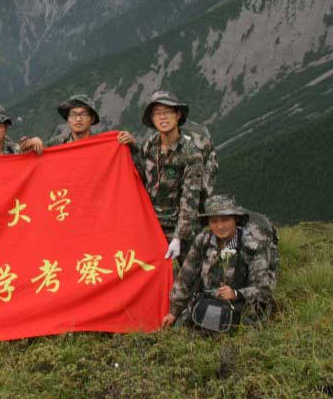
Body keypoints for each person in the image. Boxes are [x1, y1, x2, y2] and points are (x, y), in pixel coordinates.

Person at [161, 195, 276, 329]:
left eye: (225, 220)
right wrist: (174, 312)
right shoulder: (203, 241)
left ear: (236, 219)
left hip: (241, 310)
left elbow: (264, 289)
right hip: (204, 304)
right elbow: (185, 277)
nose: (220, 226)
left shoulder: (252, 246)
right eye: (214, 221)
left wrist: (236, 293)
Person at [117, 91, 204, 262]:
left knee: (191, 277)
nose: (162, 117)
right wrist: (131, 148)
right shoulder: (150, 145)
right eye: (157, 113)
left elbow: (190, 199)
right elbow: (138, 177)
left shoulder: (191, 153)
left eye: (167, 112)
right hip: (151, 224)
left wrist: (179, 237)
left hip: (179, 225)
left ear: (177, 115)